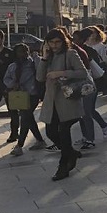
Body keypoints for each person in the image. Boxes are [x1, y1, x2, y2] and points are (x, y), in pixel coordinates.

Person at [37, 28, 87, 181]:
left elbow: (82, 73)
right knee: (51, 133)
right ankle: (71, 153)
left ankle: (63, 166)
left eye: (57, 42)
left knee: (64, 132)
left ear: (63, 41)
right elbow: (39, 77)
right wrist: (44, 59)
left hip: (68, 100)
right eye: (51, 42)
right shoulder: (48, 57)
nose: (54, 45)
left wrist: (61, 73)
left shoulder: (70, 54)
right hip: (52, 101)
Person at [3, 43, 47, 155]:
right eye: (20, 51)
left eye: (25, 51)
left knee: (25, 117)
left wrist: (36, 57)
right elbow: (6, 79)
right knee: (29, 118)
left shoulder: (33, 63)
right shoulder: (12, 66)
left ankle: (19, 145)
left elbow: (41, 70)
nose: (23, 53)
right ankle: (40, 140)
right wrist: (12, 84)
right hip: (19, 95)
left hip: (32, 94)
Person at [75, 27, 107, 149]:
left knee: (87, 112)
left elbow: (98, 66)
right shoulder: (73, 50)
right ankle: (86, 136)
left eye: (76, 38)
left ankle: (91, 137)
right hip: (79, 84)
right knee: (83, 111)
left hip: (91, 83)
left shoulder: (87, 51)